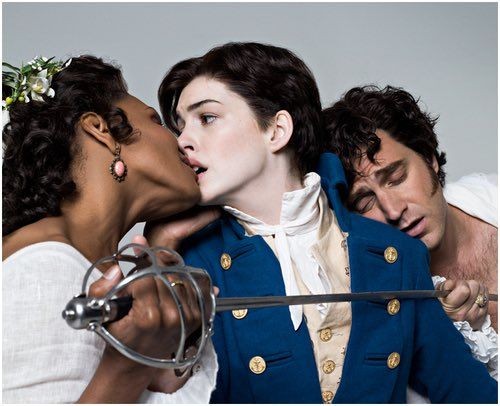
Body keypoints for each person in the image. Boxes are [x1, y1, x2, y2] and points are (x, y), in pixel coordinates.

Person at [148, 42, 497, 403]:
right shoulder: (190, 262)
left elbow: (470, 393)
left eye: (206, 118)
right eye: (180, 127)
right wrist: (161, 249)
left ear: (276, 130)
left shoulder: (397, 254)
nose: (183, 142)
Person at [2, 55, 217, 403]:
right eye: (156, 120)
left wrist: (161, 247)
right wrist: (128, 365)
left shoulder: (83, 262)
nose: (181, 142)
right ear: (100, 129)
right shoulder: (41, 268)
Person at [322, 85, 498, 398]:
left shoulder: (492, 197)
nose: (393, 210)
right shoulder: (382, 307)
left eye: (396, 178)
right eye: (365, 201)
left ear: (430, 159)